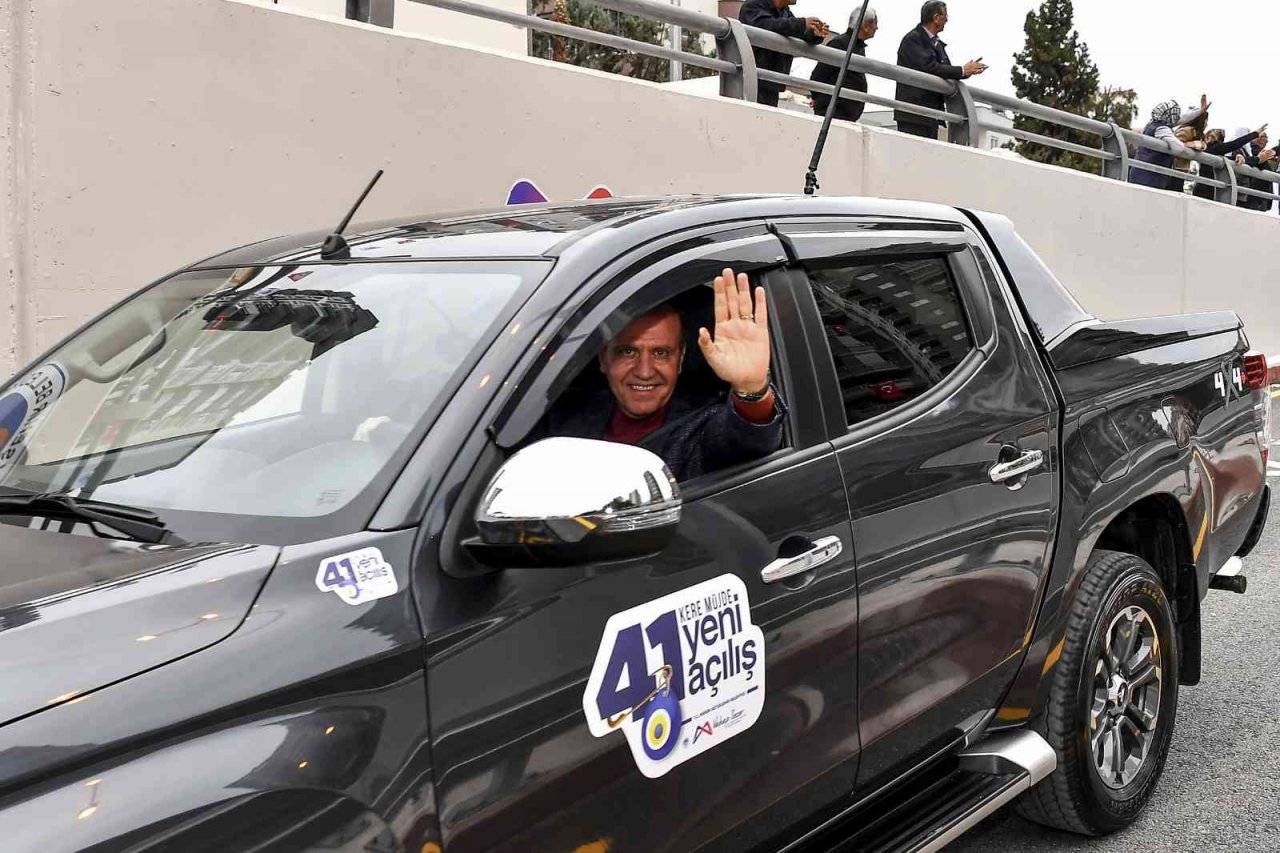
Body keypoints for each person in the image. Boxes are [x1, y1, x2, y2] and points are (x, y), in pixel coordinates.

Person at [540, 269, 785, 482]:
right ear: (604, 359)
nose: (644, 371)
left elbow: (750, 440)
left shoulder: (700, 426)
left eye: (661, 353)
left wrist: (751, 387)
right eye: (628, 352)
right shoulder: (564, 416)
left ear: (680, 359)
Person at [894, 1, 987, 140]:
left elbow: (944, 70)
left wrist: (966, 71)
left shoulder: (935, 43)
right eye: (945, 15)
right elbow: (929, 67)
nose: (947, 19)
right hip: (914, 113)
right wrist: (962, 70)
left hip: (929, 113)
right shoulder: (914, 39)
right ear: (936, 17)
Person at [739, 0, 830, 108]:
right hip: (749, 81)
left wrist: (813, 34)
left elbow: (796, 32)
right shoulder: (753, 5)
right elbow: (767, 25)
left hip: (770, 82)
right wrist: (802, 24)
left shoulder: (785, 12)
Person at [810, 5, 878, 123]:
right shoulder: (840, 44)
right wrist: (817, 97)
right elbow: (819, 74)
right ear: (866, 26)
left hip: (843, 112)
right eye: (875, 23)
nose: (877, 27)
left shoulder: (856, 46)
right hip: (834, 111)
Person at [1128, 96, 1207, 191]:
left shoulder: (1151, 124)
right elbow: (1178, 147)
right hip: (1151, 178)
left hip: (1138, 173)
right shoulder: (1162, 129)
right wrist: (1191, 144)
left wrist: (1200, 111)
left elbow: (1182, 118)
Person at [1193, 125, 1265, 202]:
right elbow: (1235, 144)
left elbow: (1228, 159)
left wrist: (1254, 158)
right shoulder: (1216, 148)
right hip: (1211, 191)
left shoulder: (1204, 149)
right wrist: (1255, 133)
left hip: (1201, 187)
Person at [1234, 129, 1279, 212]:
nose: (1267, 141)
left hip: (1250, 194)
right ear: (1260, 139)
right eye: (1266, 138)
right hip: (1252, 195)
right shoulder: (1254, 150)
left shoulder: (1249, 151)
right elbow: (1263, 167)